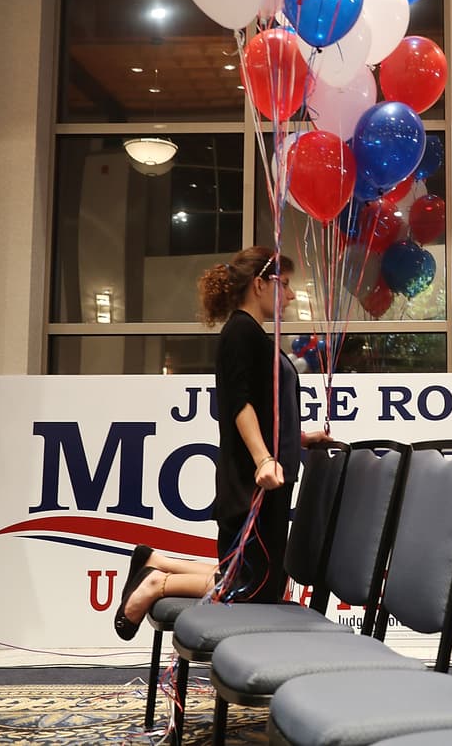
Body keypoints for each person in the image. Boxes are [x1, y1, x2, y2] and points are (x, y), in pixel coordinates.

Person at [114, 246, 328, 640]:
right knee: (252, 588)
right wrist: (264, 460)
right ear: (260, 284)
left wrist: (300, 439)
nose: (292, 296)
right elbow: (238, 405)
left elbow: (267, 410)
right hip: (254, 483)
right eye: (285, 285)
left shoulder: (254, 335)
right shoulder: (240, 332)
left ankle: (155, 562)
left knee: (255, 579)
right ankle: (157, 583)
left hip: (271, 479)